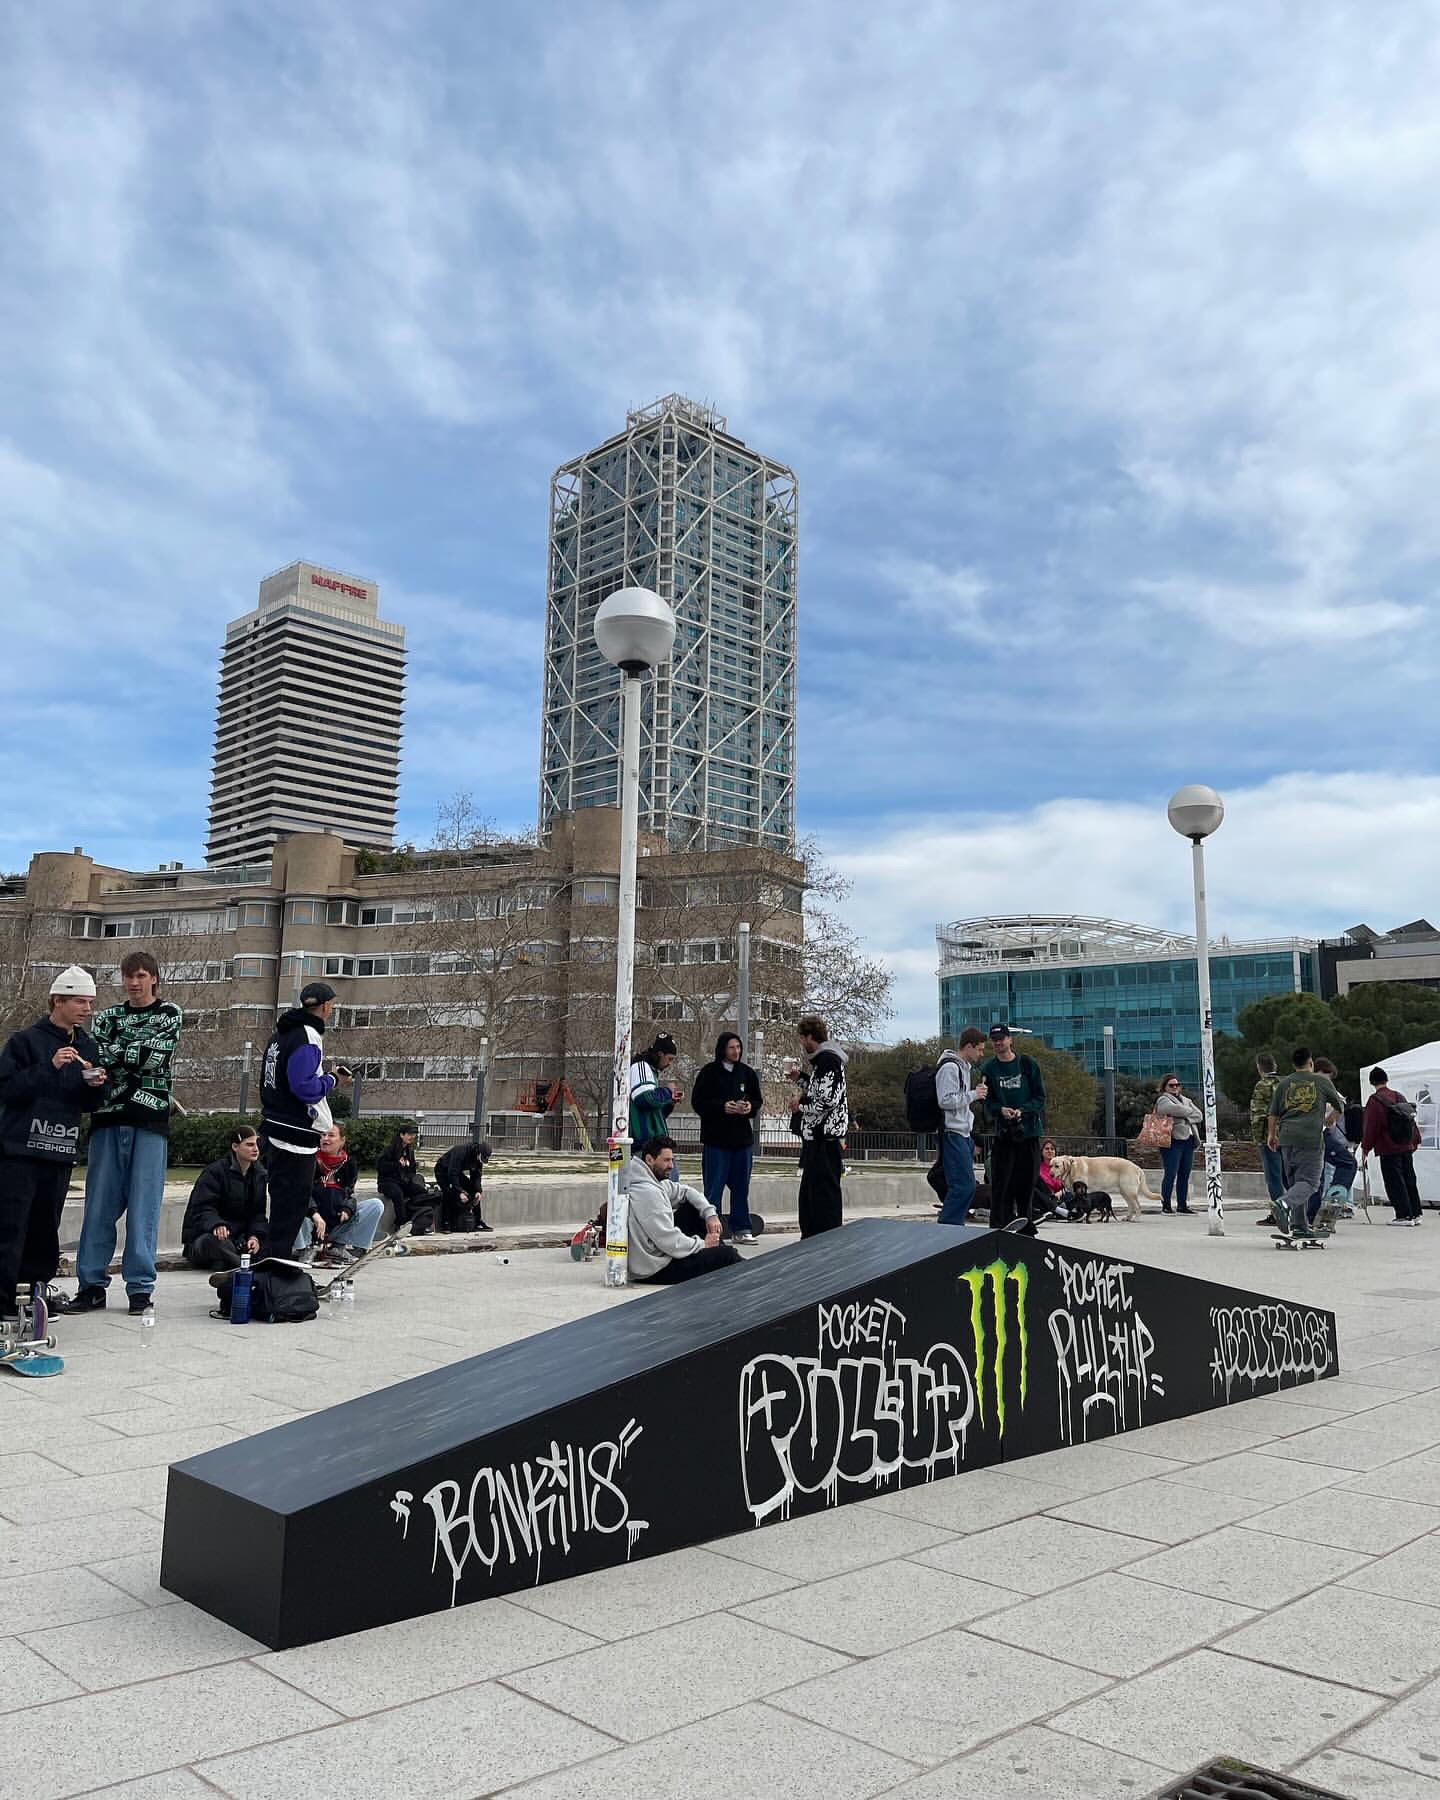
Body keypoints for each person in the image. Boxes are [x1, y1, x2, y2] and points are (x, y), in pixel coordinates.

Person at [62, 951, 183, 1316]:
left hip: (149, 1120)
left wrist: (118, 1055)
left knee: (144, 1210)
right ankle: (91, 1286)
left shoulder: (169, 1013)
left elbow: (156, 1056)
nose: (134, 983)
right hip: (107, 1119)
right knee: (98, 1208)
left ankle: (140, 1289)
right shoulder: (108, 1016)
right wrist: (128, 1054)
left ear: (154, 978)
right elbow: (97, 1056)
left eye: (141, 976)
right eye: (128, 976)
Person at [0, 967, 109, 1322]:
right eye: (79, 1001)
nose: (87, 1009)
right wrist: (48, 1067)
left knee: (45, 1230)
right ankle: (4, 1302)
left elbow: (90, 1104)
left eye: (90, 1002)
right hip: (20, 1151)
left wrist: (96, 1085)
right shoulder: (25, 1041)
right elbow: (8, 1089)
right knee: (11, 1227)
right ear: (57, 1001)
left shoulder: (87, 1046)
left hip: (60, 1150)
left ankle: (35, 1296)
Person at [258, 979, 351, 1261]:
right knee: (291, 1210)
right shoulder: (308, 1035)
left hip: (275, 1126)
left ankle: (271, 1266)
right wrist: (332, 1079)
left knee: (282, 1209)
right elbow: (304, 1087)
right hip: (295, 1135)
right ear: (326, 1006)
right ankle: (274, 1271)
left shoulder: (279, 1035)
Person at [622, 1135, 740, 1283]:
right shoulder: (648, 1193)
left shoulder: (652, 1181)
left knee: (693, 1208)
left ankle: (717, 1249)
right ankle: (753, 1273)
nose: (671, 1166)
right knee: (728, 1255)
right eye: (666, 1160)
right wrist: (703, 1245)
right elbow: (669, 1240)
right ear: (649, 1160)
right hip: (656, 1269)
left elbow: (686, 1191)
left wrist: (710, 1214)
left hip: (662, 1254)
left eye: (672, 1160)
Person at [690, 1032, 764, 1241]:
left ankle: (741, 1229)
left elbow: (757, 1100)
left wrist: (749, 1108)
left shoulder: (747, 1073)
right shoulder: (709, 1073)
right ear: (723, 1049)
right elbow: (699, 1102)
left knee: (741, 1187)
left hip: (741, 1141)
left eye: (738, 1047)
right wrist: (722, 1107)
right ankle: (713, 1231)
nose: (736, 1051)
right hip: (716, 1141)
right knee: (714, 1189)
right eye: (732, 1047)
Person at [1267, 1047, 1346, 1236]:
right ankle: (1283, 1204)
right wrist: (1331, 1118)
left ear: (1293, 1064)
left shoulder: (1284, 1083)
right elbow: (1340, 1104)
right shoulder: (1321, 1081)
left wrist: (1272, 1135)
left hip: (1286, 1139)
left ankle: (1299, 1226)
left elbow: (1273, 1112)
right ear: (1310, 1062)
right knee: (1310, 1183)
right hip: (1310, 1139)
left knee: (1296, 1185)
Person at [980, 1024, 1046, 1230]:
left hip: (1028, 1133)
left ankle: (1026, 1225)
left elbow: (1040, 1097)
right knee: (1002, 1183)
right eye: (994, 1040)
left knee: (1026, 1184)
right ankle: (1000, 1225)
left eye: (1002, 1039)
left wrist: (1023, 1111)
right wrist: (1000, 1110)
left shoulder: (1027, 1064)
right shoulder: (989, 1069)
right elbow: (987, 1101)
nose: (998, 1043)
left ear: (1010, 1040)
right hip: (1004, 1134)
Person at [789, 1016, 850, 1238]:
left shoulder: (828, 1061)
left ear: (809, 1037)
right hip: (817, 1138)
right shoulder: (823, 1062)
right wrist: (801, 1079)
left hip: (825, 1138)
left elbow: (826, 1100)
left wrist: (800, 1105)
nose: (801, 1043)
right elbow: (820, 1091)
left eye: (802, 1039)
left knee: (823, 1194)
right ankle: (812, 1234)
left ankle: (824, 1237)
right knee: (810, 1194)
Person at [181, 1126, 268, 1270]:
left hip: (239, 1239)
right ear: (235, 1146)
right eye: (249, 1145)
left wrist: (254, 1237)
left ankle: (232, 1263)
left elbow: (258, 1214)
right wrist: (216, 1224)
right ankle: (245, 1268)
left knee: (272, 1240)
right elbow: (202, 1207)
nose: (256, 1149)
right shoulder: (214, 1172)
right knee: (214, 1242)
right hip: (209, 1237)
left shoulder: (259, 1175)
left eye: (257, 1144)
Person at [301, 1123, 384, 1261]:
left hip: (335, 1222)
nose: (325, 1138)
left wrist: (347, 1208)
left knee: (375, 1205)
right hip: (312, 1222)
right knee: (295, 1203)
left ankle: (341, 1247)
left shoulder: (349, 1164)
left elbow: (348, 1194)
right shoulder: (309, 1160)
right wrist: (314, 1213)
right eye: (323, 1135)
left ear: (342, 1140)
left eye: (331, 1135)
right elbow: (302, 1193)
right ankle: (305, 1249)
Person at [935, 1027, 988, 1226]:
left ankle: (953, 1225)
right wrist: (974, 1095)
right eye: (979, 1049)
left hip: (963, 1133)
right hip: (952, 1132)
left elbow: (958, 1100)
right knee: (963, 1186)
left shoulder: (964, 1067)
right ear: (968, 1047)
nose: (981, 1054)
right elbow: (945, 1100)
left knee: (966, 1185)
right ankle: (948, 1227)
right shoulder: (950, 1068)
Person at [1361, 1066, 1423, 1225]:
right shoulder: (1399, 1096)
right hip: (1406, 1146)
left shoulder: (1375, 1101)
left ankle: (1403, 1215)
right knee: (1409, 1179)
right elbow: (1410, 1120)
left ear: (1372, 1082)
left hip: (1388, 1147)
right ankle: (1416, 1213)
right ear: (1386, 1080)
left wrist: (1366, 1148)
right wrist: (1415, 1140)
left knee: (1394, 1181)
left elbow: (1371, 1127)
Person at [1154, 1073, 1204, 1215]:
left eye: (1177, 1085)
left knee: (1184, 1174)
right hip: (1172, 1141)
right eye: (1171, 1085)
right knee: (1170, 1173)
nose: (1175, 1087)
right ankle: (1166, 1206)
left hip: (1189, 1140)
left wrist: (1182, 1115)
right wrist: (1188, 1113)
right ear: (1165, 1087)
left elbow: (1199, 1115)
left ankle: (1182, 1205)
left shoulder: (1186, 1099)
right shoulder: (1163, 1099)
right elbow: (1170, 1109)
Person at [629, 1033, 684, 1144]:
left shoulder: (651, 1071)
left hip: (651, 1143)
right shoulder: (641, 1066)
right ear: (660, 1054)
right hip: (643, 1143)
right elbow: (645, 1099)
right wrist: (668, 1091)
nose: (670, 1064)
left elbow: (655, 1114)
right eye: (669, 1059)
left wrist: (670, 1102)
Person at [1249, 1054, 1284, 1224]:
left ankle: (1279, 1213)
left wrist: (1259, 1140)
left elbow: (1258, 1115)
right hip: (1288, 1135)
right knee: (1289, 1177)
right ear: (1275, 1065)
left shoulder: (1262, 1086)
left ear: (1259, 1068)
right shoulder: (1286, 1083)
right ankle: (1296, 1211)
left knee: (1274, 1178)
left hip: (1269, 1137)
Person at [377, 1124, 430, 1234]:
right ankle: (401, 1224)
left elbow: (412, 1170)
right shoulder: (390, 1150)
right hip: (387, 1182)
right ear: (402, 1135)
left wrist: (409, 1174)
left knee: (421, 1192)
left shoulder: (409, 1152)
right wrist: (397, 1165)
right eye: (409, 1134)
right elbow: (381, 1167)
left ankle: (420, 1222)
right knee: (398, 1194)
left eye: (414, 1135)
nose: (412, 1137)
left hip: (403, 1181)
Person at [434, 1137, 493, 1232]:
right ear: (478, 1152)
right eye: (481, 1158)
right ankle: (446, 1222)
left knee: (473, 1191)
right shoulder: (461, 1151)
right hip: (443, 1170)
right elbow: (452, 1173)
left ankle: (477, 1221)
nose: (480, 1161)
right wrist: (459, 1191)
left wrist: (478, 1191)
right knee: (449, 1191)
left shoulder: (478, 1159)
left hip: (457, 1172)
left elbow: (476, 1176)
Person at [1035, 1139, 1069, 1219]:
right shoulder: (1037, 1167)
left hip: (1060, 1197)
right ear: (1042, 1151)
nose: (1049, 1151)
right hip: (1044, 1197)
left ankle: (1056, 1210)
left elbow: (1067, 1186)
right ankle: (1057, 1210)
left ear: (1055, 1152)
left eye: (1052, 1149)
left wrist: (1059, 1193)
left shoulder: (1062, 1167)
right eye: (1047, 1149)